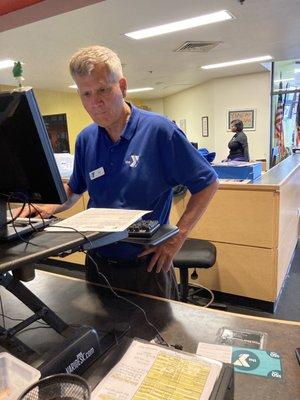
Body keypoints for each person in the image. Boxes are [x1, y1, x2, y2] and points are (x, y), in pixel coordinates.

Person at [19, 45, 218, 300]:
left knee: (154, 339)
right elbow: (75, 189)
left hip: (147, 266)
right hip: (97, 263)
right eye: (86, 94)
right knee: (103, 336)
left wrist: (176, 239)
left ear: (122, 86)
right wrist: (46, 208)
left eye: (102, 90)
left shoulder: (160, 131)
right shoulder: (86, 139)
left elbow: (208, 183)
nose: (95, 102)